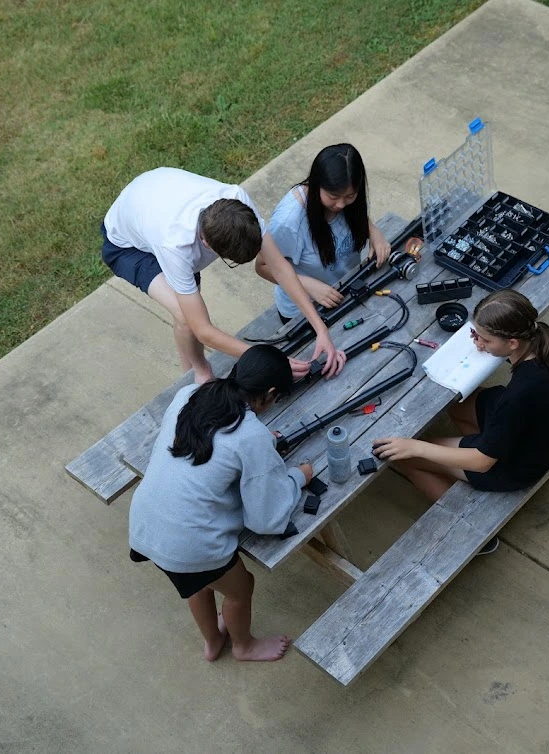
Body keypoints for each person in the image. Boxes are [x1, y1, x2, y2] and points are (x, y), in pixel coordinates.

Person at [128, 345, 313, 662]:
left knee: (197, 583)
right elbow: (266, 519)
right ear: (270, 393)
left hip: (146, 523)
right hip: (189, 541)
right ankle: (244, 646)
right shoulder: (251, 435)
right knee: (240, 589)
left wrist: (260, 445)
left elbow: (212, 449)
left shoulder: (191, 394)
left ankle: (213, 640)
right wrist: (297, 477)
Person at [372, 290, 549, 553]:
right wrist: (491, 344)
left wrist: (415, 447)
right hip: (543, 429)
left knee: (405, 458)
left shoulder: (518, 397)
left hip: (521, 464)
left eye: (486, 339)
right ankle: (471, 456)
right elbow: (520, 382)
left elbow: (483, 462)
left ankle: (473, 534)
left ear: (513, 342)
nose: (479, 342)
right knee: (459, 405)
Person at [101, 167, 346, 384]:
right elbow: (204, 330)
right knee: (186, 318)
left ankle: (189, 374)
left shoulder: (237, 201)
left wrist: (321, 328)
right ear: (207, 244)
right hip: (127, 246)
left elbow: (280, 267)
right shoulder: (175, 247)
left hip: (153, 196)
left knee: (186, 313)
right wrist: (269, 358)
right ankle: (200, 372)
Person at [255, 144, 392, 322]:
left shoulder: (347, 196)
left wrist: (374, 232)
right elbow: (262, 266)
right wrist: (309, 286)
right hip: (304, 311)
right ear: (316, 183)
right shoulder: (288, 222)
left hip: (346, 289)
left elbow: (357, 213)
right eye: (333, 197)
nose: (341, 205)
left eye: (350, 196)